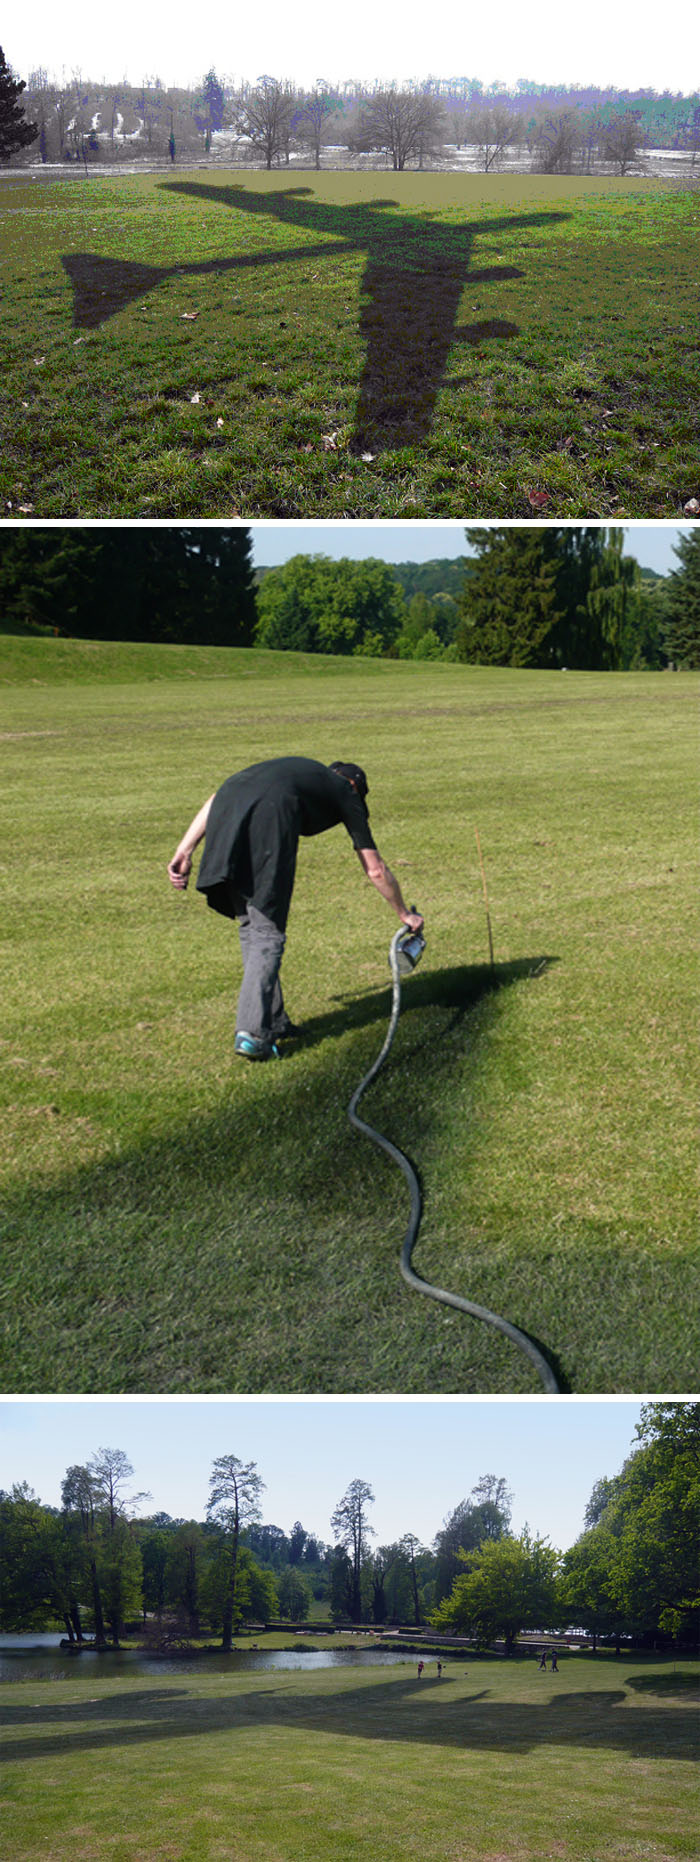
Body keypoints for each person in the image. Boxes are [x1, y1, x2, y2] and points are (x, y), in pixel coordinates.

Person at [167, 755, 424, 1060]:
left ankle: (273, 1021)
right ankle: (252, 1034)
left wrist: (185, 849)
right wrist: (404, 914)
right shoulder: (346, 791)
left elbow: (218, 796)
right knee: (267, 935)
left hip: (228, 812)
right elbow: (376, 869)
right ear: (354, 785)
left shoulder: (302, 771)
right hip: (267, 820)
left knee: (251, 926)